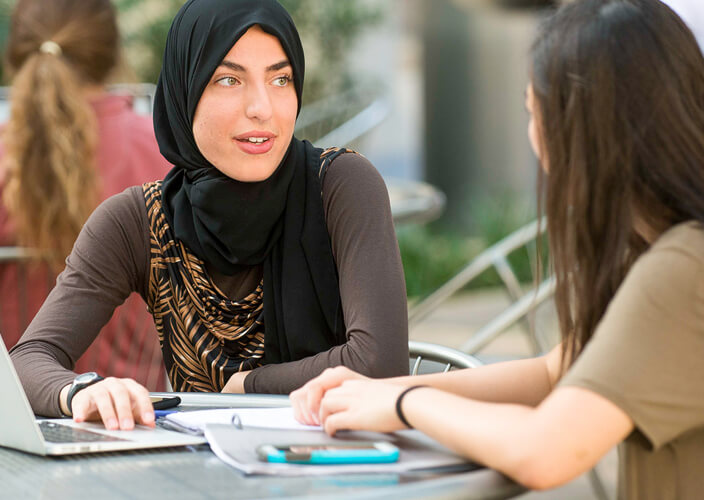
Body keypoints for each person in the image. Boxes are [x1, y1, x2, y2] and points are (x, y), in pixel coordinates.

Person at [291, 0, 704, 497]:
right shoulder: (658, 247)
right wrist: (379, 391)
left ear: (579, 129)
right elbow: (557, 371)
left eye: (533, 111)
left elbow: (545, 451)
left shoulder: (681, 269)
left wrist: (406, 405)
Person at [9, 0, 409, 431]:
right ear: (185, 90)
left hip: (340, 474)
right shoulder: (139, 221)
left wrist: (246, 385)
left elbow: (379, 365)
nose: (262, 107)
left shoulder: (341, 184)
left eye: (280, 78)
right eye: (229, 79)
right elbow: (27, 359)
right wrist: (80, 391)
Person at [0, 0, 170, 389]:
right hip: (146, 410)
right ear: (112, 54)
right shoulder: (167, 156)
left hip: (20, 412)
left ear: (17, 56)